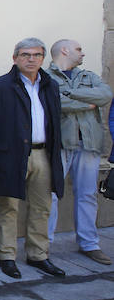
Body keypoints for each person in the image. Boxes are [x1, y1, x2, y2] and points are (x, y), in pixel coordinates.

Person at [0, 38, 65, 279]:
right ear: (15, 58)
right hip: (11, 156)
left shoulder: (50, 86)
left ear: (43, 58)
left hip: (43, 154)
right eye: (25, 55)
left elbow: (54, 122)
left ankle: (39, 254)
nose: (31, 59)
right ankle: (7, 255)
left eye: (36, 55)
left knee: (42, 207)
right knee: (8, 207)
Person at [47, 39, 112, 265]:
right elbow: (55, 103)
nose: (82, 53)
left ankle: (89, 243)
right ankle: (44, 245)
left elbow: (105, 96)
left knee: (87, 195)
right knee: (51, 195)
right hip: (62, 144)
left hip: (89, 144)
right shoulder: (48, 78)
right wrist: (87, 102)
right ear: (65, 50)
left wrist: (71, 95)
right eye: (78, 49)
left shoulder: (89, 76)